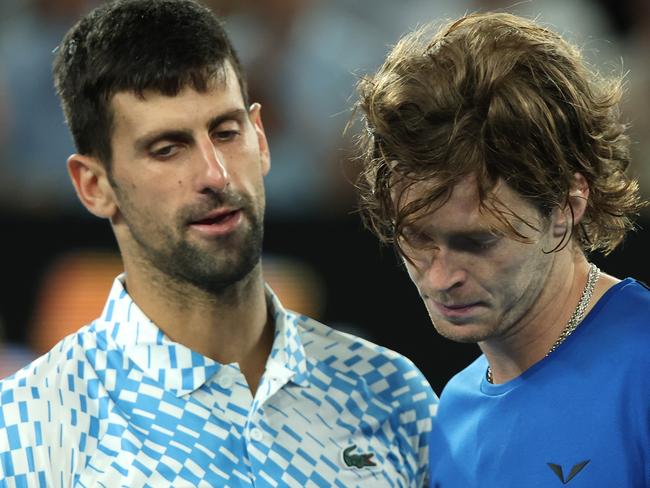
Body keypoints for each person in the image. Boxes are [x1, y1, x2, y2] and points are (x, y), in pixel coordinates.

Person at [0, 1, 437, 485]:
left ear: (261, 138)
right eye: (166, 149)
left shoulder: (389, 394)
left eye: (226, 133)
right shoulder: (27, 428)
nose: (215, 174)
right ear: (93, 185)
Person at [354, 11, 649, 487]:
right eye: (416, 236)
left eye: (476, 241)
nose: (438, 277)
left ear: (567, 206)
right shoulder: (451, 416)